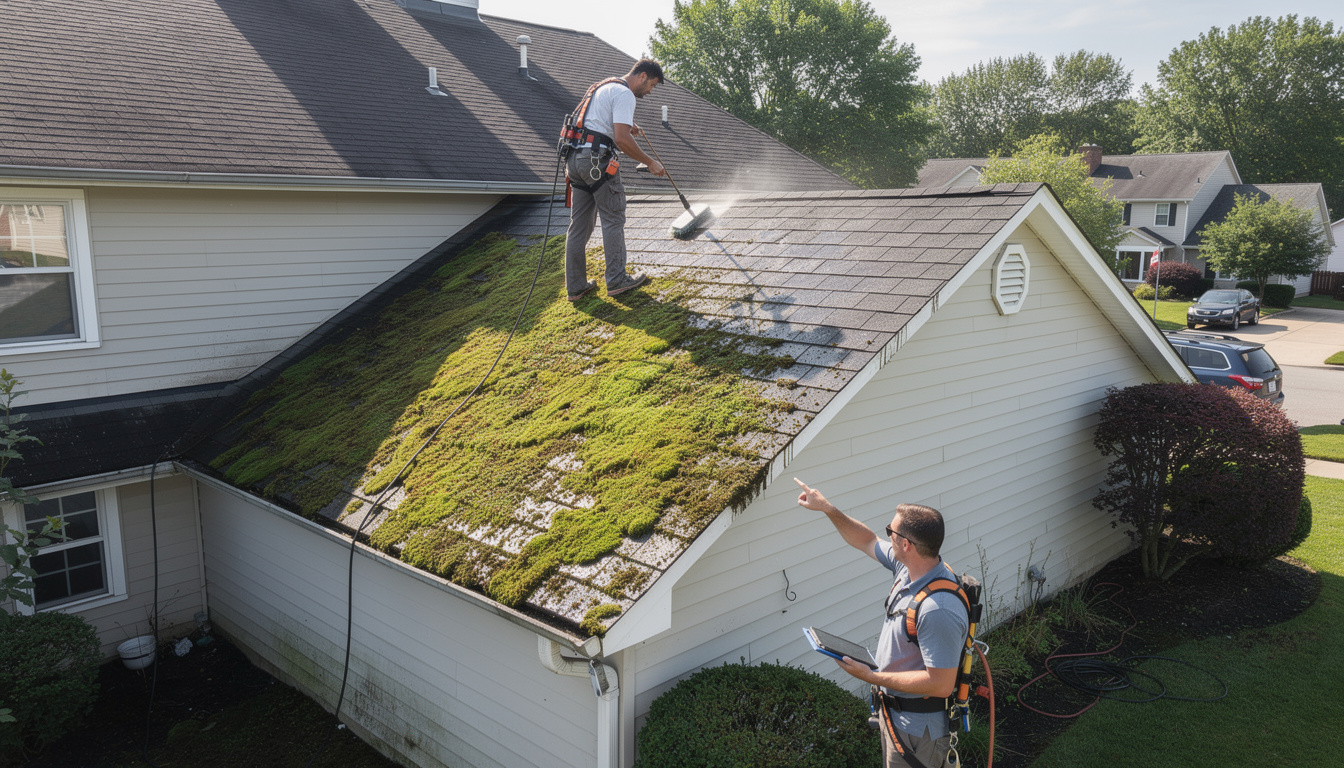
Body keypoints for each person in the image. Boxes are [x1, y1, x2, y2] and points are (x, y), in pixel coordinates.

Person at [794, 477, 969, 768]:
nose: (886, 535)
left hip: (917, 733)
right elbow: (866, 541)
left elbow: (940, 685)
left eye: (891, 531)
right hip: (895, 717)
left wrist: (870, 677)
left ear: (906, 544)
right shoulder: (908, 568)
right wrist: (827, 508)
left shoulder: (938, 609)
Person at [563, 59, 667, 302]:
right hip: (596, 161)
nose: (650, 91)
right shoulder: (625, 93)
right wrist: (650, 161)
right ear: (642, 76)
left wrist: (628, 125)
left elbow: (600, 122)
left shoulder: (603, 87)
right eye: (652, 85)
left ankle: (576, 287)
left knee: (579, 225)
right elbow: (620, 139)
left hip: (575, 160)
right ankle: (617, 280)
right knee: (613, 217)